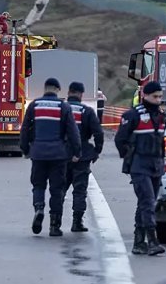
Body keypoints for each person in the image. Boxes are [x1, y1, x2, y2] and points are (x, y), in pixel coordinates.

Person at [20, 77, 81, 237]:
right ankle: (54, 226)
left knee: (38, 185)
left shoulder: (34, 105)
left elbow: (25, 129)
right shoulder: (63, 106)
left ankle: (39, 208)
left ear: (45, 88)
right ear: (57, 90)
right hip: (58, 155)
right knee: (57, 190)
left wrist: (25, 149)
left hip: (38, 153)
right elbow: (73, 132)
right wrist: (76, 152)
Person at [115, 81, 166, 256]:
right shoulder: (133, 115)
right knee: (146, 201)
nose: (158, 100)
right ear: (144, 96)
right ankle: (152, 241)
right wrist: (129, 157)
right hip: (139, 165)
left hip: (156, 166)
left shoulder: (161, 117)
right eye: (155, 97)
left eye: (160, 97)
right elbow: (120, 139)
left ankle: (139, 242)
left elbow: (161, 142)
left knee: (147, 202)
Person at [64, 82, 103, 233]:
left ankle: (55, 222)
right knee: (79, 190)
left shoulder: (61, 109)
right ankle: (77, 222)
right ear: (81, 94)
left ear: (68, 92)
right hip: (83, 155)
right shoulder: (86, 111)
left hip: (62, 154)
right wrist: (97, 151)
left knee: (59, 189)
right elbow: (98, 133)